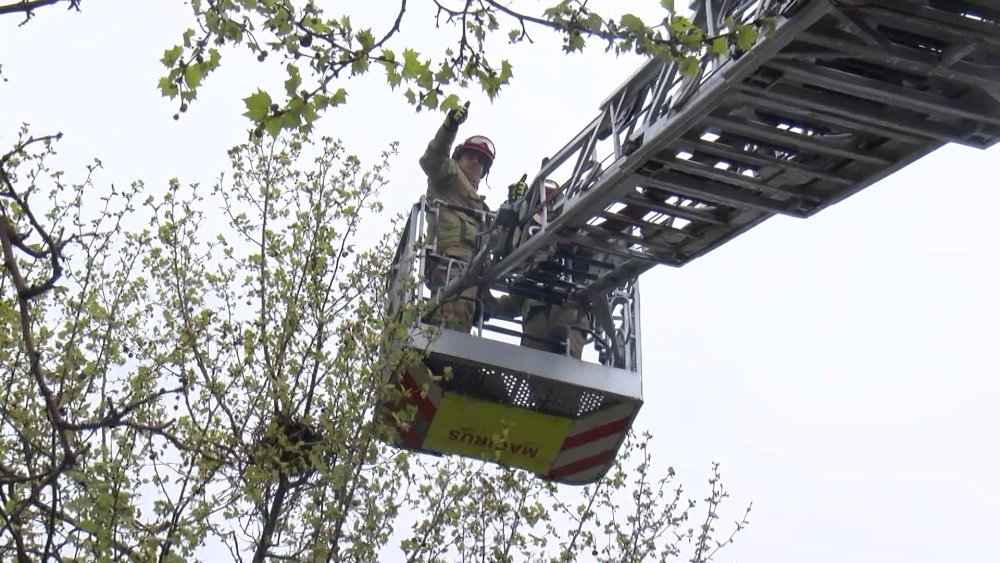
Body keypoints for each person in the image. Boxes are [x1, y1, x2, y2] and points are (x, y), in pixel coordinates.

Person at [418, 102, 498, 332]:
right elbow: (432, 159)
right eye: (471, 156)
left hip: (474, 267)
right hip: (449, 259)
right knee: (455, 314)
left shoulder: (483, 207)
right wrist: (450, 127)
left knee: (466, 311)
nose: (476, 163)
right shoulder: (448, 175)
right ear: (458, 157)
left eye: (482, 161)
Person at [509, 179, 591, 359]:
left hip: (568, 312)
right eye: (541, 204)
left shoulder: (574, 231)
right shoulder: (524, 246)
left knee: (565, 372)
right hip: (536, 324)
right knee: (535, 373)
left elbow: (590, 253)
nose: (547, 209)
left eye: (551, 202)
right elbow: (512, 304)